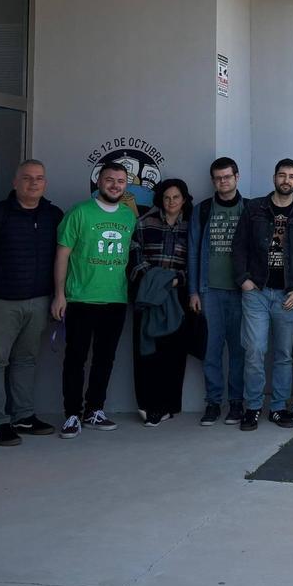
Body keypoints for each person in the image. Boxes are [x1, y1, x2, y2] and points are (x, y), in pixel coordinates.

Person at [0, 160, 63, 446]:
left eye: (39, 178)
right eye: (27, 178)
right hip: (0, 303)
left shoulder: (53, 215)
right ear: (15, 182)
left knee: (26, 360)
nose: (33, 183)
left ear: (45, 183)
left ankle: (24, 416)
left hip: (38, 302)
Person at [52, 161, 137, 439]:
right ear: (99, 182)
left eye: (121, 181)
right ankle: (72, 414)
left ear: (126, 185)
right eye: (110, 180)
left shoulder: (128, 216)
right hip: (81, 298)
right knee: (75, 358)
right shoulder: (79, 212)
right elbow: (62, 255)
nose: (115, 185)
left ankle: (94, 410)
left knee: (105, 359)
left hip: (115, 299)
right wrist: (60, 294)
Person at [232, 159, 293, 432]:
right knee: (255, 350)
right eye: (282, 175)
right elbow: (239, 246)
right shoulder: (255, 208)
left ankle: (279, 407)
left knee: (283, 354)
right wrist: (244, 280)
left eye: (292, 176)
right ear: (274, 177)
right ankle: (253, 407)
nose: (286, 180)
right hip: (257, 291)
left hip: (288, 295)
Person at [129, 178, 193, 426]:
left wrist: (175, 280)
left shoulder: (191, 226)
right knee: (147, 351)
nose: (171, 202)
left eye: (176, 197)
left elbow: (196, 263)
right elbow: (135, 259)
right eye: (167, 197)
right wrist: (157, 282)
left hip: (177, 296)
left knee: (173, 353)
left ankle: (168, 406)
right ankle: (148, 405)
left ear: (184, 199)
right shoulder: (144, 223)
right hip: (149, 297)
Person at [188, 157, 246, 426]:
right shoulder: (202, 210)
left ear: (237, 177)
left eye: (227, 177)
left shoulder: (250, 209)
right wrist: (193, 291)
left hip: (241, 292)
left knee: (238, 351)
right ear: (213, 181)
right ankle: (213, 402)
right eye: (218, 178)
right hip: (209, 291)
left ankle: (236, 402)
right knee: (211, 350)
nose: (223, 182)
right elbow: (193, 253)